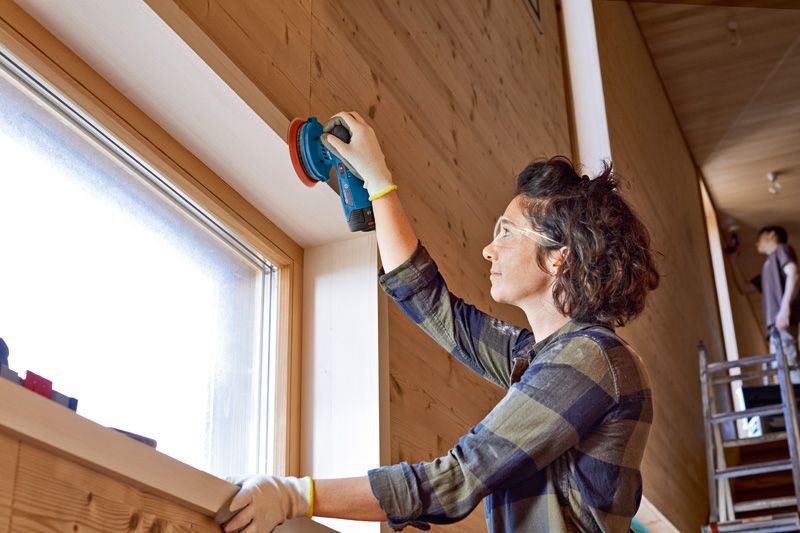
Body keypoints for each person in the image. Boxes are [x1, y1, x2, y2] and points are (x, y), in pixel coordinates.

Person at [219, 111, 659, 533]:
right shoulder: (545, 357)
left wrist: (294, 496)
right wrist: (379, 184)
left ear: (560, 256)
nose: (489, 250)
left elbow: (458, 478)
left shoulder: (594, 360)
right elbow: (436, 308)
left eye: (506, 232)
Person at [733, 226, 800, 383]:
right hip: (775, 327)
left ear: (771, 235)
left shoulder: (781, 250)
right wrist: (732, 260)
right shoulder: (767, 270)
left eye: (759, 238)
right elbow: (743, 288)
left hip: (782, 321)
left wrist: (784, 309)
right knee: (783, 371)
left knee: (790, 368)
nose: (756, 244)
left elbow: (793, 273)